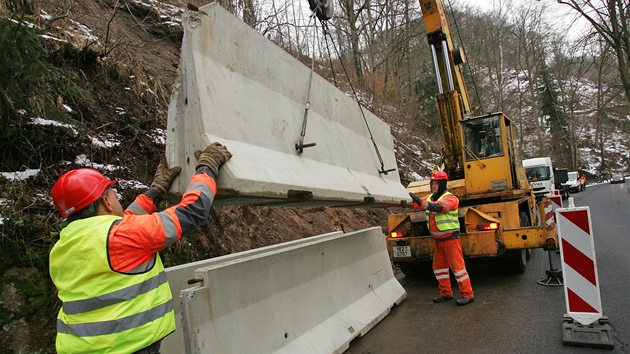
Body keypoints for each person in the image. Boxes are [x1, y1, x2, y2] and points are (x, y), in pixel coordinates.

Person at [49, 142, 232, 354]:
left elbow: (122, 228)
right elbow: (192, 210)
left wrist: (154, 193)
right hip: (128, 349)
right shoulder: (123, 236)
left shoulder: (62, 247)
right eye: (112, 194)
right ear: (106, 203)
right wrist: (207, 168)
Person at [408, 170, 474, 306]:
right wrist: (405, 200)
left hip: (451, 240)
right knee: (439, 268)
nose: (433, 186)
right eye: (432, 183)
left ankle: (467, 294)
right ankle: (445, 293)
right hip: (438, 241)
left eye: (436, 183)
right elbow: (416, 204)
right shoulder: (430, 197)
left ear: (443, 184)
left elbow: (439, 207)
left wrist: (420, 202)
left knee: (458, 269)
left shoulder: (450, 198)